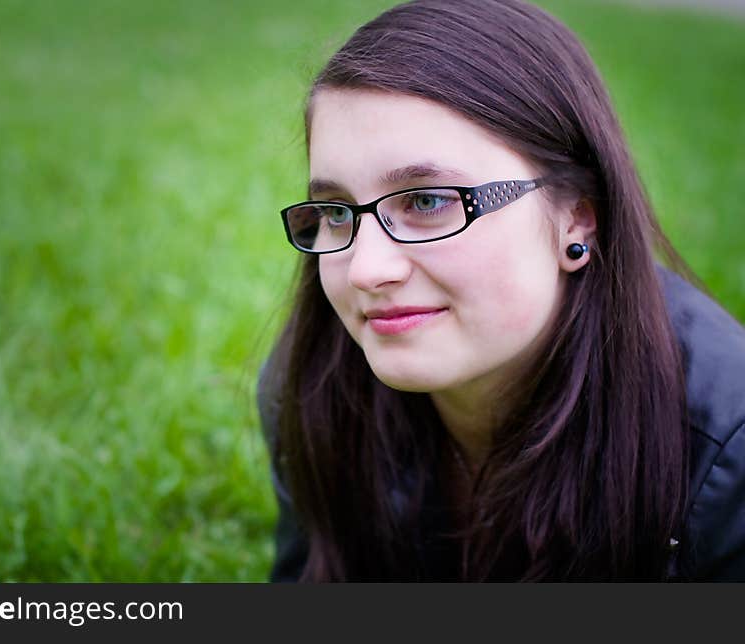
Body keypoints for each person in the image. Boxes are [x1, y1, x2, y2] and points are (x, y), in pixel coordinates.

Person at [258, 0, 745, 581]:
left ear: (577, 218)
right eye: (337, 212)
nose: (365, 270)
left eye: (428, 201)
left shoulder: (726, 453)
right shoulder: (313, 383)